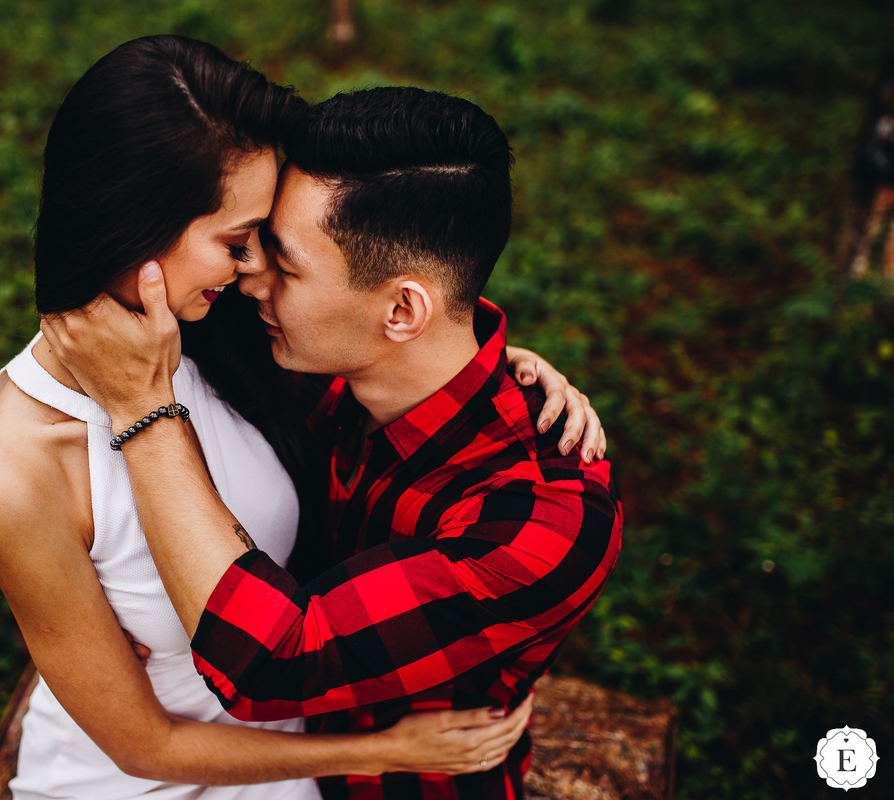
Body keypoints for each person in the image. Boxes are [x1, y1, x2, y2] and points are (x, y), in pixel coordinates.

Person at [40, 86, 623, 800]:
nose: (250, 276)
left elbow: (274, 663)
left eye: (285, 264)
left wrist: (143, 409)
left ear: (403, 309)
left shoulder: (539, 520)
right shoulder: (334, 370)